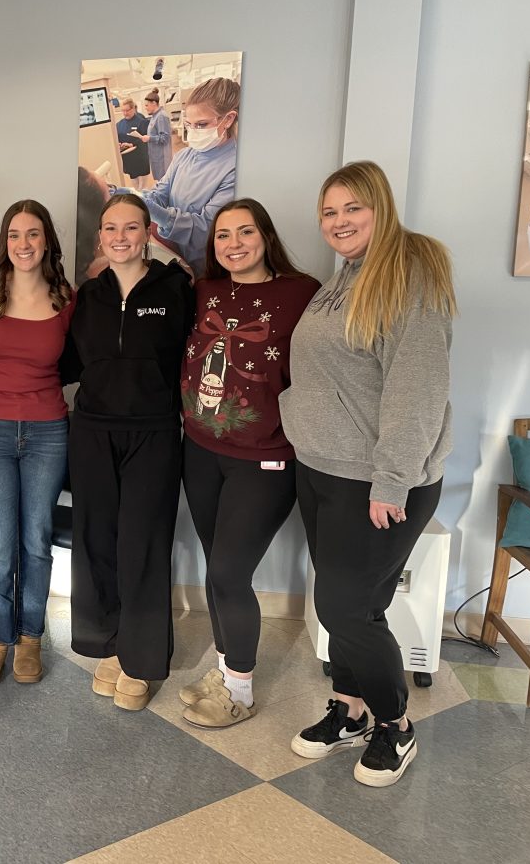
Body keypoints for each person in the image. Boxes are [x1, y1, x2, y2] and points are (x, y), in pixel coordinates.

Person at [281, 160, 456, 787]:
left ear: (380, 209)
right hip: (324, 467)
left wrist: (392, 480)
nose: (339, 221)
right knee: (355, 605)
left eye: (353, 208)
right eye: (329, 212)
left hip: (378, 479)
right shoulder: (344, 278)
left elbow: (417, 391)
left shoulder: (409, 281)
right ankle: (350, 711)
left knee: (345, 606)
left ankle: (395, 725)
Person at [178, 198, 318, 728]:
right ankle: (223, 670)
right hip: (201, 450)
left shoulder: (301, 293)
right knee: (217, 568)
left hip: (265, 458)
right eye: (222, 235)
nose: (234, 244)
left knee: (229, 573)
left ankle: (239, 689)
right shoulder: (204, 291)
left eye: (245, 232)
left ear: (266, 235)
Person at [61, 194, 193, 711]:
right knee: (95, 539)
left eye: (131, 227)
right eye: (110, 228)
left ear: (148, 231)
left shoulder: (176, 288)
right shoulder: (87, 296)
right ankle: (107, 645)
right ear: (100, 237)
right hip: (92, 430)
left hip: (154, 431)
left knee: (143, 543)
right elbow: (68, 363)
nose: (120, 237)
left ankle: (141, 659)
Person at [0, 200, 74, 690]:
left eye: (33, 234)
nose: (23, 244)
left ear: (47, 240)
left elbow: (79, 361)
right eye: (14, 235)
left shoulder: (66, 298)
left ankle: (30, 635)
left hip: (48, 430)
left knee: (36, 540)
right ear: (4, 242)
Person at [142, 77, 240, 277]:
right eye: (189, 124)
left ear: (228, 119)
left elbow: (209, 231)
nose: (193, 132)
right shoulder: (185, 155)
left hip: (208, 267)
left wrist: (161, 216)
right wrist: (145, 200)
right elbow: (163, 190)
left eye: (202, 124)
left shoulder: (235, 167)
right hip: (175, 257)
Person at [116, 97, 151, 190]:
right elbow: (117, 138)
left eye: (127, 110)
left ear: (133, 109)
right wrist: (119, 144)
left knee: (142, 187)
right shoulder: (119, 124)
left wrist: (131, 144)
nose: (125, 113)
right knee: (135, 185)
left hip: (140, 157)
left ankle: (144, 202)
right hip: (128, 159)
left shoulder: (142, 121)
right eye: (123, 111)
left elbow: (145, 138)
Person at [143, 90, 173, 183]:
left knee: (164, 182)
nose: (145, 108)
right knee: (160, 181)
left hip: (162, 157)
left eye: (147, 105)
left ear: (154, 103)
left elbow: (165, 138)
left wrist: (149, 138)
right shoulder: (154, 117)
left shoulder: (161, 116)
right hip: (156, 155)